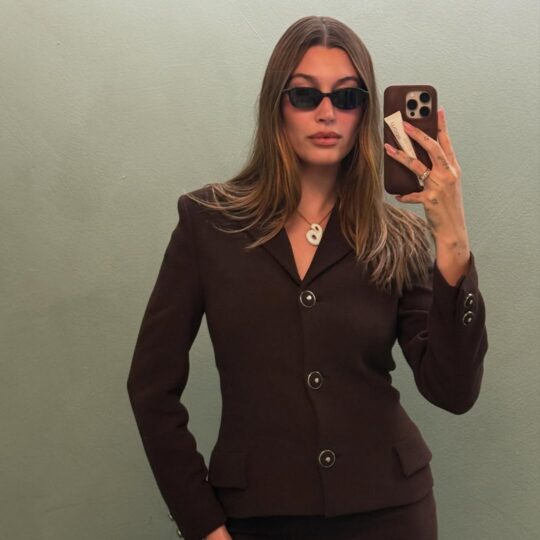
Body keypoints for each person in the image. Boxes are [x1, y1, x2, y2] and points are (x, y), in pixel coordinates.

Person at [126, 15, 488, 540]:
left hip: (391, 515)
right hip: (257, 517)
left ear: (365, 112)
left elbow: (452, 390)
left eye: (347, 97)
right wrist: (202, 525)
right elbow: (150, 388)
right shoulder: (207, 223)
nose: (327, 112)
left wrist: (452, 240)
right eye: (305, 95)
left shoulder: (397, 238)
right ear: (277, 104)